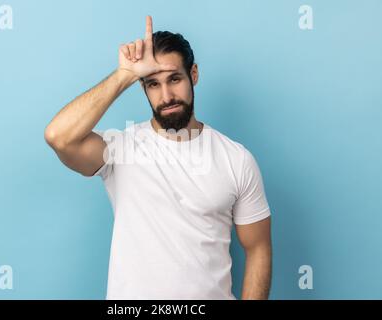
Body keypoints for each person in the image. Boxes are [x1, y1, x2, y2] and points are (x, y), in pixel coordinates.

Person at [45, 15, 272, 300]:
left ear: (194, 75)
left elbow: (258, 247)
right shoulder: (121, 149)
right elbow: (59, 137)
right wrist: (125, 74)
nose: (166, 96)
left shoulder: (236, 159)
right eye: (152, 84)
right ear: (143, 88)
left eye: (174, 79)